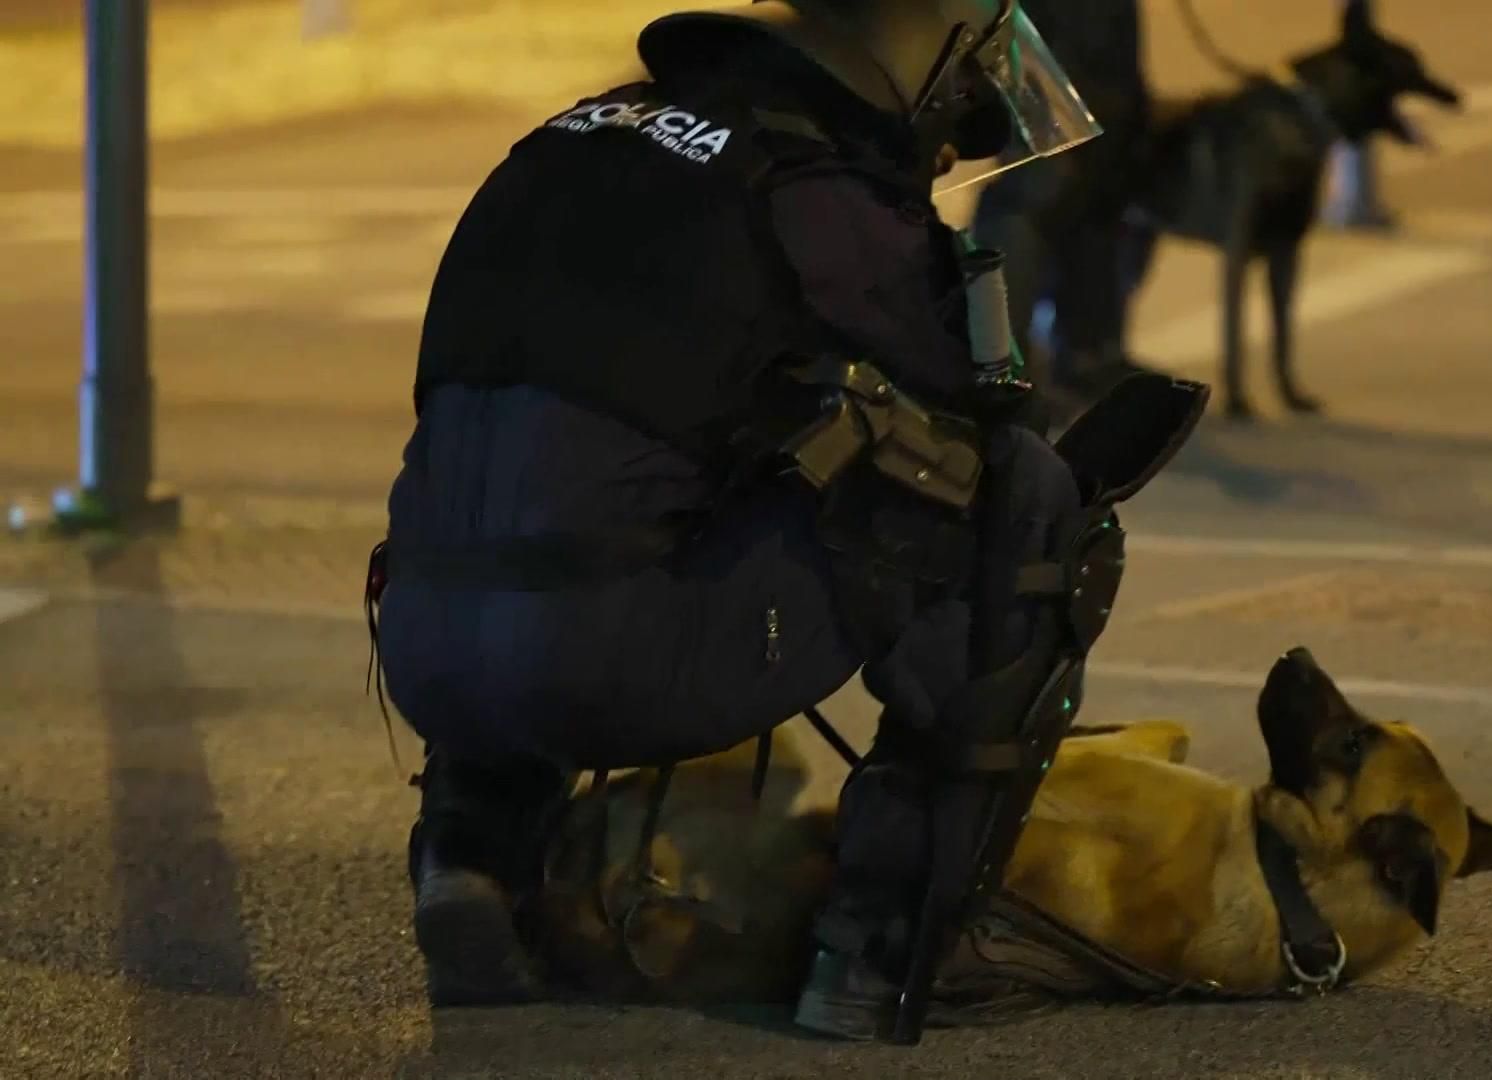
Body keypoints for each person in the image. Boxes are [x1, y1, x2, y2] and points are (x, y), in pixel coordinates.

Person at [366, 0, 1205, 1044]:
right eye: (954, 120)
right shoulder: (817, 191)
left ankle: (469, 863)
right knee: (1030, 512)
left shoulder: (569, 139)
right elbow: (991, 409)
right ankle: (883, 947)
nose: (948, 151)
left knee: (555, 496)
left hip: (426, 645)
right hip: (606, 656)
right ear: (910, 68)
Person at [967, 0, 1154, 411]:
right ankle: (1008, 371)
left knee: (1096, 222)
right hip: (1050, 110)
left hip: (1103, 116)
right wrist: (1046, 126)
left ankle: (1086, 355)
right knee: (1026, 214)